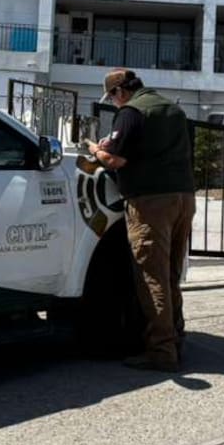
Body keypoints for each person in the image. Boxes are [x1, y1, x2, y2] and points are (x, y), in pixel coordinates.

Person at [87, 68, 195, 372]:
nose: (114, 103)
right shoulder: (173, 109)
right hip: (184, 197)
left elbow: (115, 160)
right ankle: (176, 338)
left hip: (151, 202)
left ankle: (161, 352)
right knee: (171, 274)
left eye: (112, 98)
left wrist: (95, 149)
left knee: (152, 277)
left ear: (119, 92)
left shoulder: (132, 112)